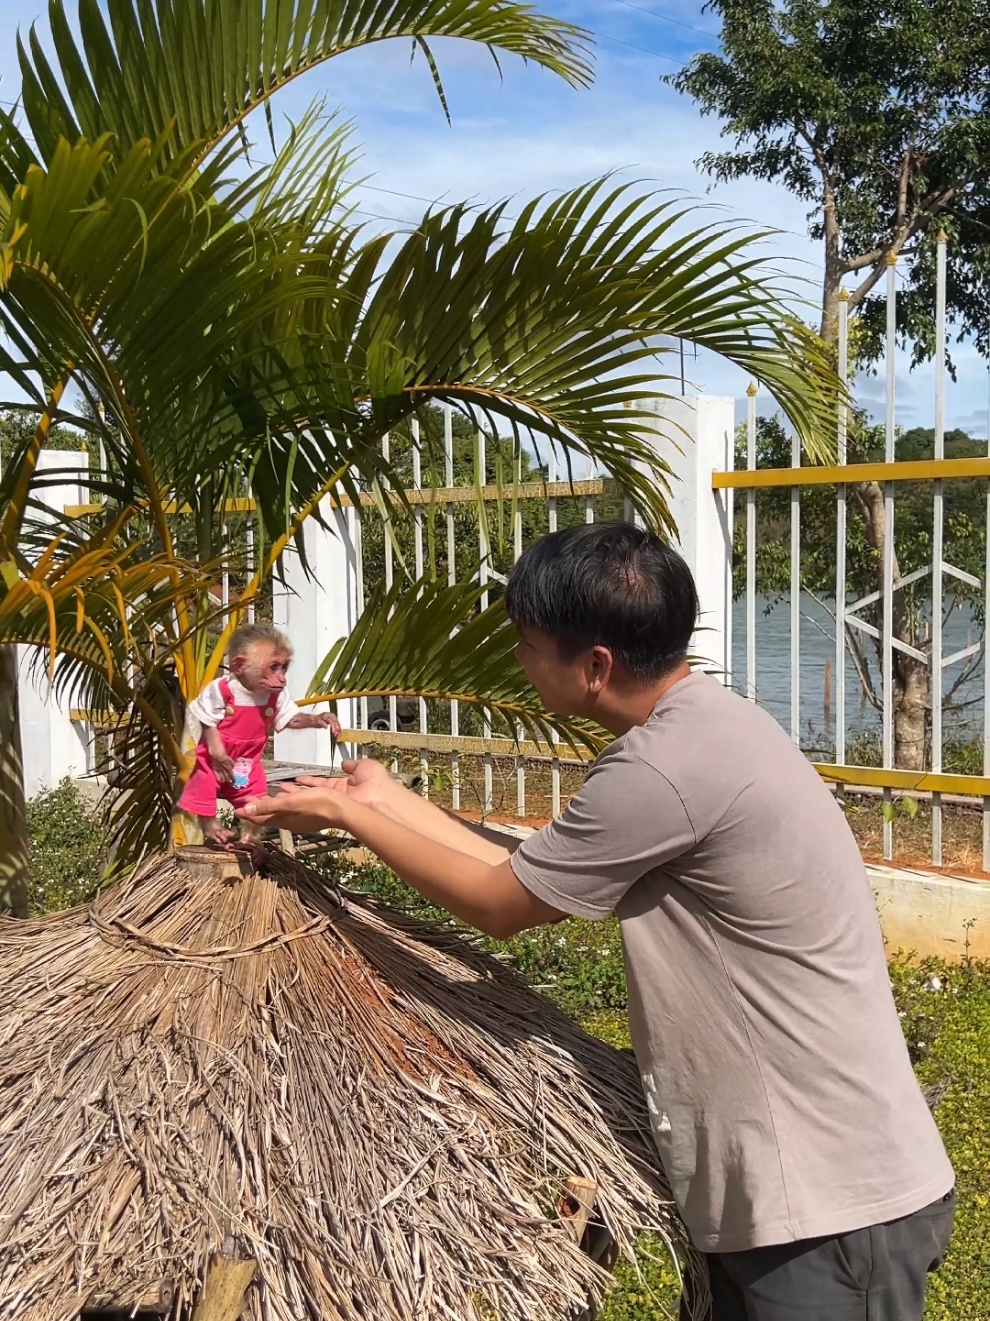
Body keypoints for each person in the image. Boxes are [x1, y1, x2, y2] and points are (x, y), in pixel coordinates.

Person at [240, 523, 954, 1320]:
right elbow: (523, 872)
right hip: (808, 1189)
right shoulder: (703, 727)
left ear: (595, 666)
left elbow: (499, 906)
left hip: (827, 1210)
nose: (519, 661)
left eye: (528, 645)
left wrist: (350, 821)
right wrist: (377, 799)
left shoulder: (661, 770)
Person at [178, 622, 340, 845]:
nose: (282, 677)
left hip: (247, 760)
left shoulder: (275, 696)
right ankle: (210, 827)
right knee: (203, 782)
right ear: (239, 666)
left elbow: (288, 719)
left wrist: (315, 719)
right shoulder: (223, 689)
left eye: (285, 667)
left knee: (256, 798)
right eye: (273, 667)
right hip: (216, 756)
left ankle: (249, 839)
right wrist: (216, 751)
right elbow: (206, 718)